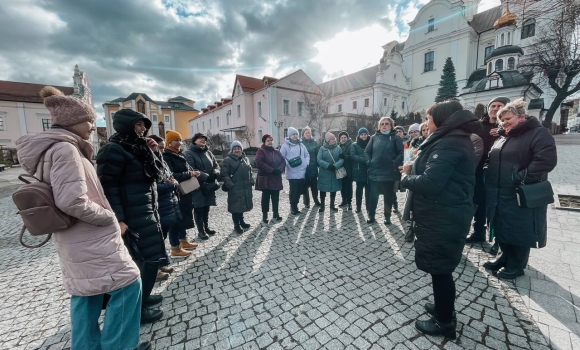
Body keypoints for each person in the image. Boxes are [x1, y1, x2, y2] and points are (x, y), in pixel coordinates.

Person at [16, 87, 149, 350]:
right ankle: (119, 346)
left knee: (85, 292)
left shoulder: (51, 149)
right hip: (90, 236)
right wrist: (108, 217)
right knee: (128, 284)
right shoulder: (66, 150)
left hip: (73, 238)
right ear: (72, 120)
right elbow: (72, 201)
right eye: (89, 120)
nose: (92, 126)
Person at [400, 100, 481, 339]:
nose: (427, 123)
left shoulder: (448, 144)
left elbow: (431, 183)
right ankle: (442, 308)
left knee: (440, 270)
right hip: (443, 214)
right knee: (440, 268)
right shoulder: (451, 140)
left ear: (442, 120)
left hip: (444, 216)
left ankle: (444, 322)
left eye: (429, 118)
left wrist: (405, 179)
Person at [97, 108, 168, 326]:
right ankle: (137, 309)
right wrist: (118, 218)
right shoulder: (113, 150)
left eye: (144, 125)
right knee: (140, 262)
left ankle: (143, 298)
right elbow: (108, 188)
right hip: (130, 215)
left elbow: (159, 174)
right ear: (125, 125)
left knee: (151, 259)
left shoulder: (140, 148)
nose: (143, 129)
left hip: (147, 211)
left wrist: (154, 152)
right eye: (138, 124)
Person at [483, 99, 557, 279]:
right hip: (500, 190)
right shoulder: (504, 136)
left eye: (508, 118)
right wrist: (488, 168)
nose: (504, 122)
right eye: (502, 120)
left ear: (521, 117)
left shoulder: (538, 133)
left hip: (521, 191)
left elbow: (545, 160)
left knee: (519, 229)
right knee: (503, 225)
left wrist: (520, 177)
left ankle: (517, 265)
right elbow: (492, 157)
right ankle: (504, 257)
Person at [466, 97, 510, 255]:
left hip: (498, 173)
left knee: (496, 206)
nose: (495, 108)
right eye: (493, 106)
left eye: (499, 106)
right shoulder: (478, 125)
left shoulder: (507, 126)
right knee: (478, 202)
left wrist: (502, 133)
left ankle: (498, 240)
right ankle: (478, 232)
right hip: (477, 170)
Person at [147, 134, 187, 281]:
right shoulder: (149, 163)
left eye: (163, 148)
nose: (163, 151)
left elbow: (169, 177)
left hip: (167, 203)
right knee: (155, 239)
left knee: (161, 237)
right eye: (160, 148)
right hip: (159, 204)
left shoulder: (161, 161)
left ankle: (160, 263)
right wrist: (171, 184)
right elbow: (154, 185)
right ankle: (153, 269)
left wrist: (173, 181)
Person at [160, 131, 200, 255]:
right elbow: (172, 175)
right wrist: (190, 174)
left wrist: (191, 172)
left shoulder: (179, 153)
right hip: (175, 192)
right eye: (175, 140)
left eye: (180, 140)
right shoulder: (167, 155)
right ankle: (175, 247)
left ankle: (183, 240)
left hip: (184, 191)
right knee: (175, 220)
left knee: (183, 217)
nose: (179, 142)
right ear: (169, 142)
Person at [365, 117, 404, 224]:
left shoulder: (396, 138)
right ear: (379, 126)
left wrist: (394, 163)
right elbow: (367, 152)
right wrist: (369, 162)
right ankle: (371, 215)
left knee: (388, 196)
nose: (384, 125)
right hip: (375, 171)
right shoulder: (374, 138)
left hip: (389, 172)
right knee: (373, 195)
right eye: (382, 124)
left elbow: (401, 153)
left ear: (391, 126)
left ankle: (387, 216)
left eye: (387, 124)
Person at [184, 133, 220, 240]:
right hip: (197, 186)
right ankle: (201, 231)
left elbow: (216, 165)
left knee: (206, 207)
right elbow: (191, 168)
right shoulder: (188, 153)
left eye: (204, 139)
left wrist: (215, 173)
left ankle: (206, 227)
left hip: (209, 185)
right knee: (199, 208)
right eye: (200, 138)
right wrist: (206, 176)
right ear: (194, 140)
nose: (203, 140)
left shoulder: (208, 152)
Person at [221, 140, 254, 233]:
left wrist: (251, 180)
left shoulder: (245, 159)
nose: (237, 150)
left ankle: (242, 221)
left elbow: (250, 170)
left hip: (245, 186)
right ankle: (236, 225)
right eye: (235, 148)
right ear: (232, 150)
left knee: (242, 205)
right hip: (235, 187)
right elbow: (224, 174)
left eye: (238, 148)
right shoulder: (228, 160)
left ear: (241, 149)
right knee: (235, 207)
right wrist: (230, 185)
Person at [255, 134, 286, 223]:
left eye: (271, 140)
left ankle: (276, 213)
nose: (270, 142)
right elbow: (259, 163)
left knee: (275, 197)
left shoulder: (276, 152)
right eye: (268, 140)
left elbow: (283, 161)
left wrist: (279, 169)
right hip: (266, 178)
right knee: (266, 197)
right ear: (264, 142)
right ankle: (265, 215)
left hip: (276, 178)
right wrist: (271, 170)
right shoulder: (261, 151)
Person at [280, 127, 309, 215]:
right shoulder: (285, 145)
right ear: (290, 135)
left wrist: (306, 163)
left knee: (299, 190)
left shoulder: (301, 144)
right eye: (293, 134)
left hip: (301, 171)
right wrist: (287, 163)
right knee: (293, 190)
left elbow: (306, 154)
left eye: (296, 134)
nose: (295, 136)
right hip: (291, 171)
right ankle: (293, 207)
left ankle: (296, 205)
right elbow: (281, 157)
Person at [317, 132, 344, 212]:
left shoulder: (338, 148)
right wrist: (328, 165)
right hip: (324, 173)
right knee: (323, 190)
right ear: (328, 140)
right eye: (332, 139)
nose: (334, 140)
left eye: (334, 138)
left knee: (333, 189)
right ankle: (322, 206)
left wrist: (335, 165)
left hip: (334, 172)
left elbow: (341, 159)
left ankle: (332, 205)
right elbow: (319, 159)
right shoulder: (322, 149)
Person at [350, 127, 370, 213]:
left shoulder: (371, 143)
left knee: (368, 191)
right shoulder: (354, 145)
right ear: (359, 135)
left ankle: (368, 207)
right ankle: (358, 206)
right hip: (359, 170)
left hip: (369, 170)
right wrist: (364, 160)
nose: (364, 136)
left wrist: (369, 161)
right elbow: (353, 156)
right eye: (362, 134)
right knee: (359, 190)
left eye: (365, 134)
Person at [301, 126, 321, 207]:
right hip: (304, 168)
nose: (308, 134)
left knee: (314, 186)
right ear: (303, 134)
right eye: (306, 133)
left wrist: (318, 164)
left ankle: (316, 200)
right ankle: (306, 202)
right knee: (305, 185)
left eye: (309, 132)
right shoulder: (301, 143)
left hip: (313, 167)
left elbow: (318, 154)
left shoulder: (314, 142)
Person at [338, 131, 354, 210]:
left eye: (345, 137)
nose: (343, 139)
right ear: (339, 139)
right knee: (342, 186)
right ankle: (344, 200)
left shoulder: (351, 146)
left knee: (348, 186)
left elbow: (352, 157)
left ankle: (349, 202)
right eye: (342, 138)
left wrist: (344, 156)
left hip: (348, 169)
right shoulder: (338, 146)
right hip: (340, 170)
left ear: (347, 138)